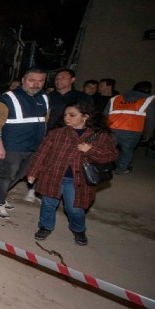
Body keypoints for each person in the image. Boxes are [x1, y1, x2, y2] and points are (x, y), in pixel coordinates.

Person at [27, 102, 118, 245]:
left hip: (77, 179)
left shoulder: (100, 136)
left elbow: (111, 156)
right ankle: (45, 227)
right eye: (65, 115)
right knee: (48, 204)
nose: (67, 118)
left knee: (74, 209)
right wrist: (33, 172)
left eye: (72, 115)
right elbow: (41, 153)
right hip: (53, 174)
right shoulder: (56, 133)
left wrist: (90, 150)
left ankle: (79, 230)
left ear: (85, 117)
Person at [0, 68, 49, 218]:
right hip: (11, 147)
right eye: (32, 80)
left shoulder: (44, 98)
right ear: (23, 80)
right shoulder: (6, 99)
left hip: (33, 147)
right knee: (6, 176)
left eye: (40, 81)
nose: (36, 84)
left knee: (20, 175)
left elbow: (44, 122)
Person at [105, 81, 155, 175]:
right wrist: (148, 134)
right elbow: (151, 118)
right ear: (148, 89)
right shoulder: (149, 100)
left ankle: (103, 167)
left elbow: (105, 115)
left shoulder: (116, 98)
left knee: (108, 149)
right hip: (132, 130)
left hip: (112, 128)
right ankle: (121, 169)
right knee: (127, 151)